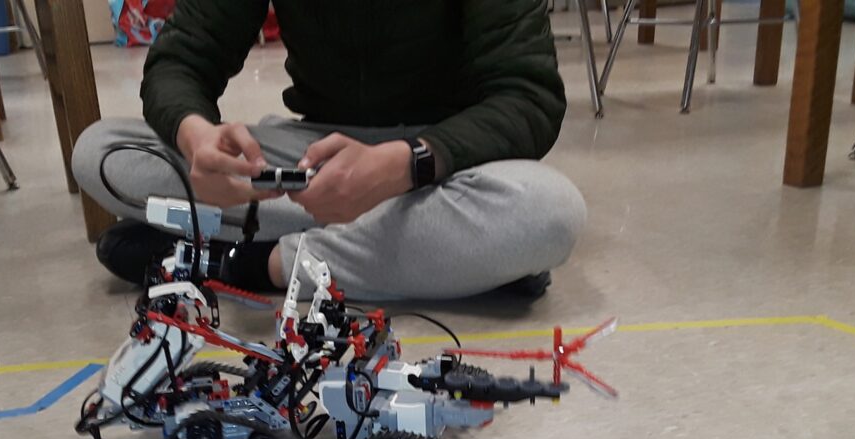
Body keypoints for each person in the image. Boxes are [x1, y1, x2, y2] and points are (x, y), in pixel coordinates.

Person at [72, 0, 587, 300]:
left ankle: (248, 264)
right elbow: (180, 61)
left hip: (445, 157)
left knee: (549, 212)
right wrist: (197, 137)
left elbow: (529, 98)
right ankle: (443, 256)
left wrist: (411, 161)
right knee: (102, 154)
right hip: (313, 153)